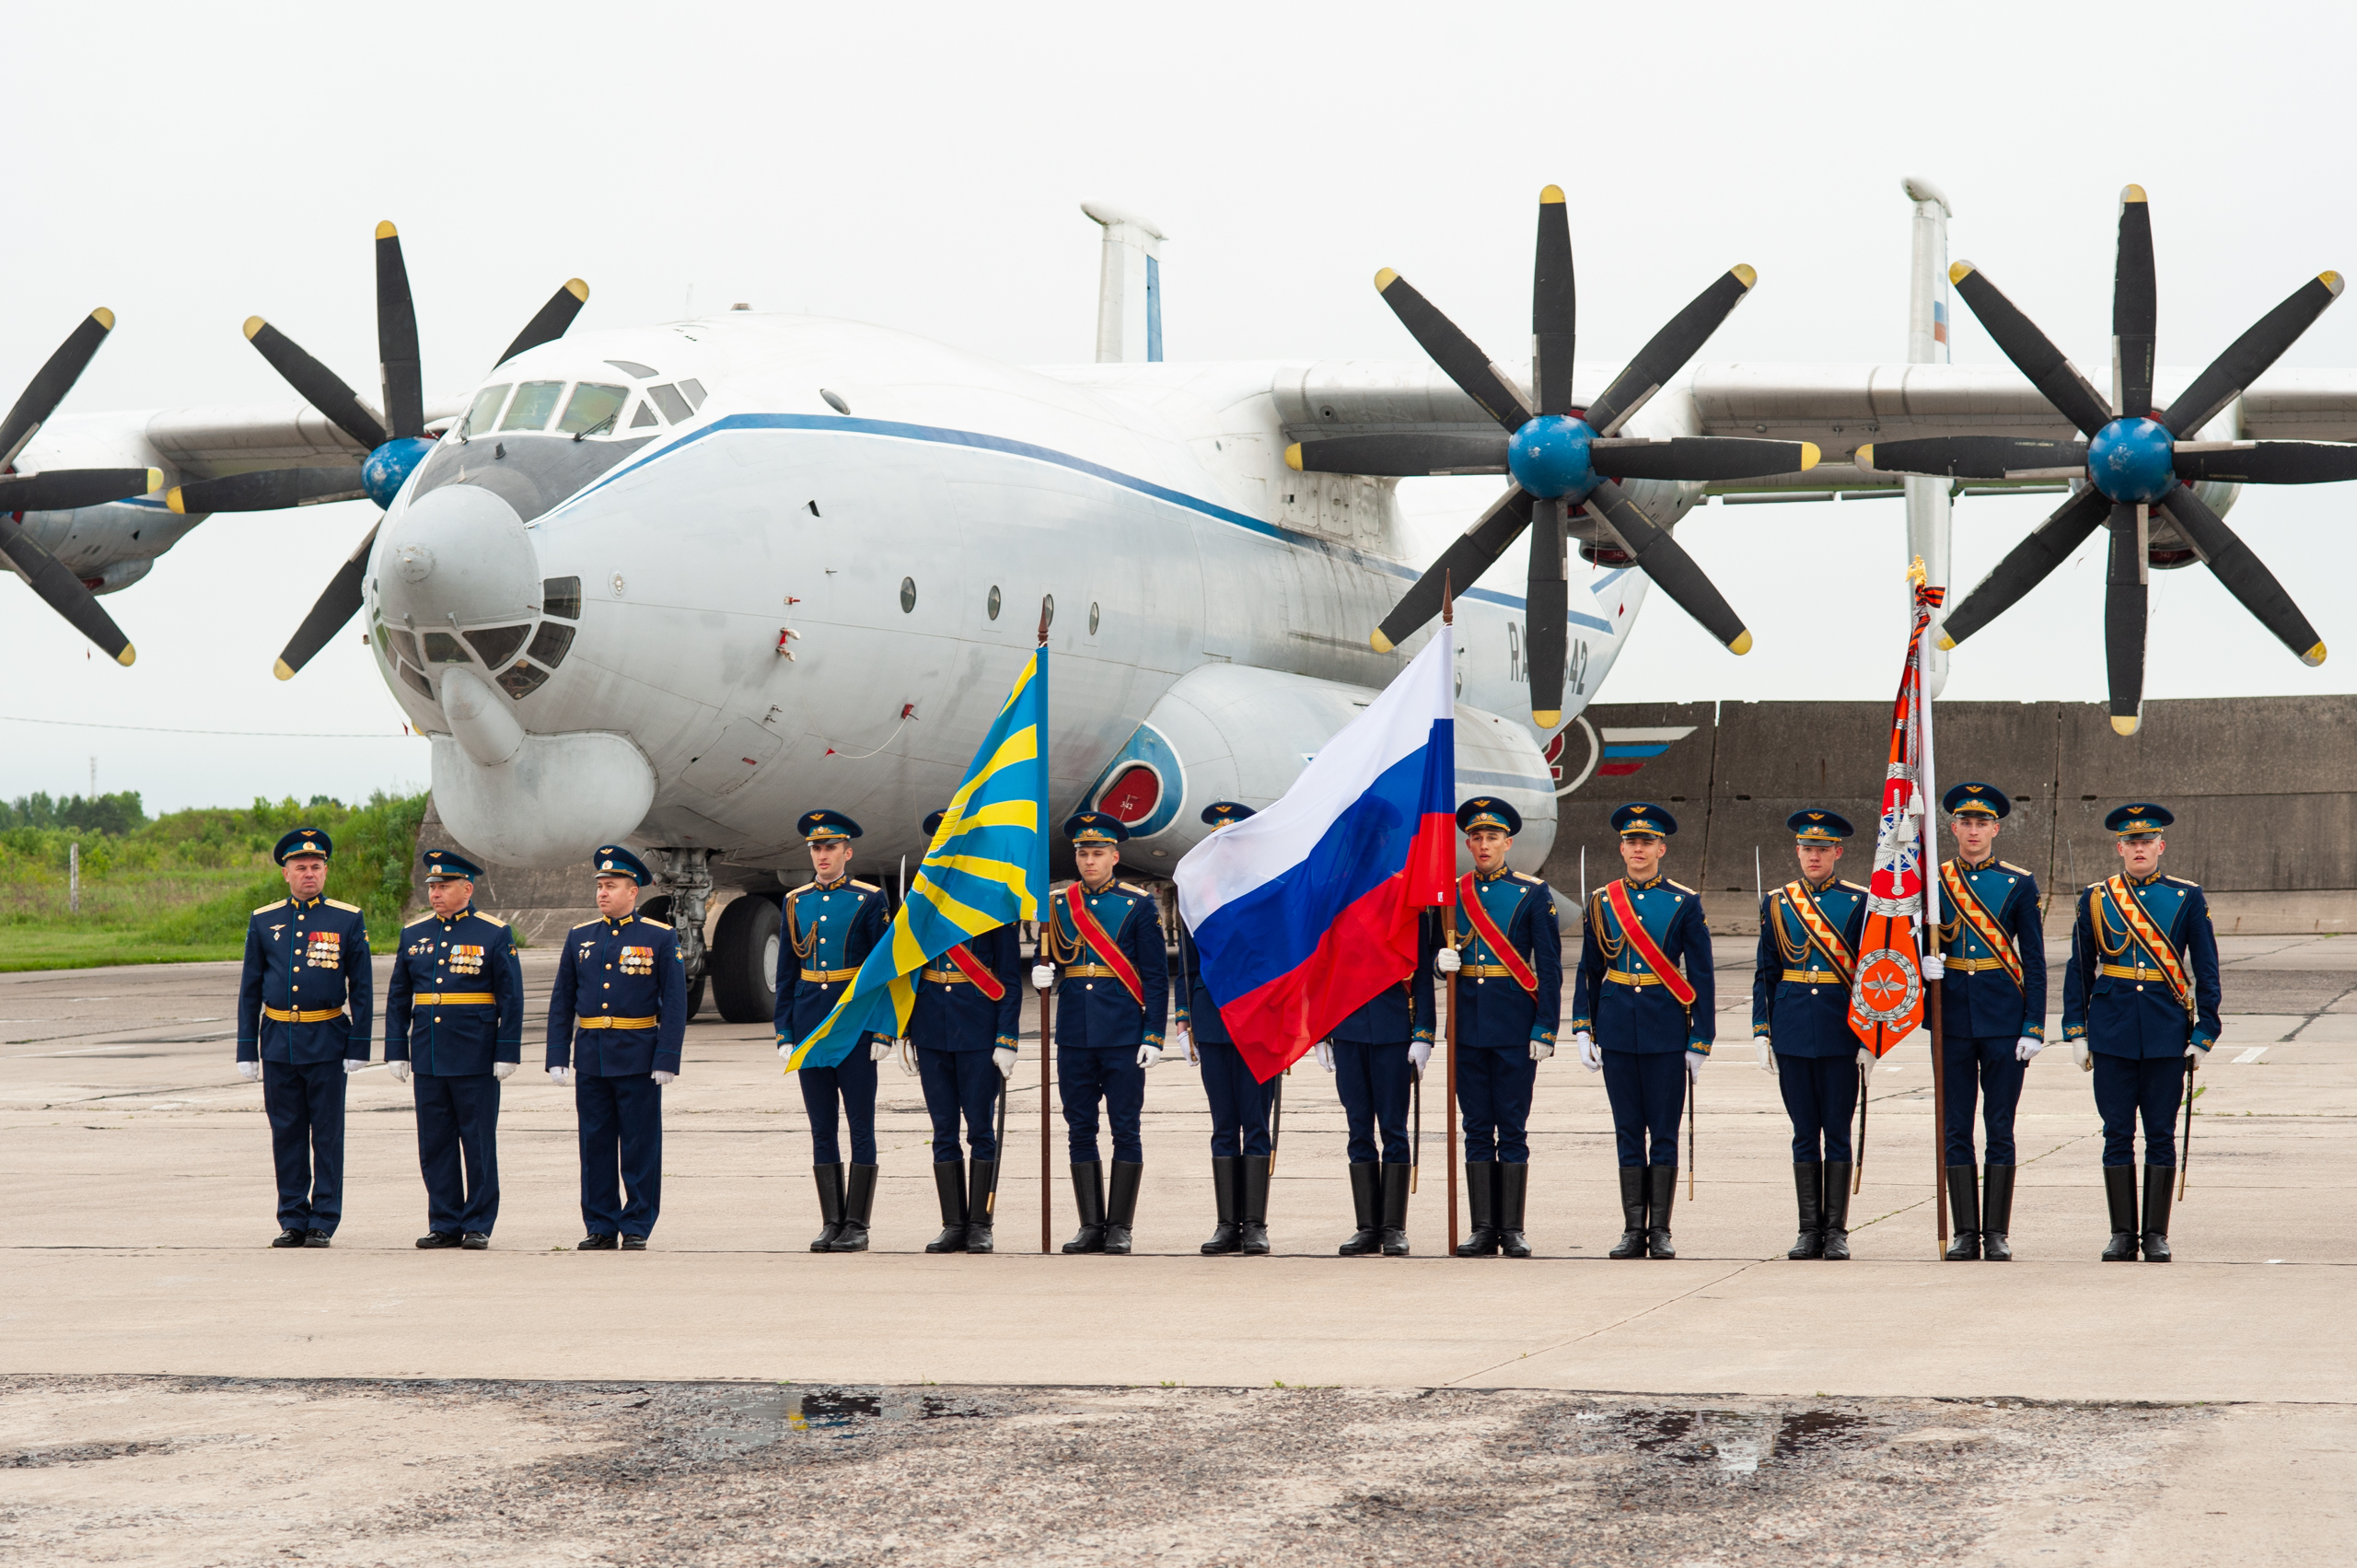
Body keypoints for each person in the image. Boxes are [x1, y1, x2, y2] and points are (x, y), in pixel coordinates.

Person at [2063, 802, 2220, 1263]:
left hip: (2166, 1031)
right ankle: (2120, 1232)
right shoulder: (2096, 897)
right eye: (2131, 842)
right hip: (2111, 1031)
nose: (2139, 848)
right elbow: (2080, 969)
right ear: (2119, 848)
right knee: (2115, 1133)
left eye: (2146, 841)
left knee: (2160, 1133)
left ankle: (2155, 1233)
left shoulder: (2186, 897)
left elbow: (2207, 971)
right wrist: (2076, 1030)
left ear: (2160, 846)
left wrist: (2204, 1033)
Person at [1571, 802, 1713, 1260]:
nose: (1638, 848)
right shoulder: (1601, 900)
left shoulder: (1683, 901)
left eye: (1646, 842)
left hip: (1665, 1026)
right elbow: (1589, 969)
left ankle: (1662, 1229)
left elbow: (1703, 974)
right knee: (1628, 1130)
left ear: (1661, 849)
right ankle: (1634, 1228)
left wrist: (1700, 1039)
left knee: (1664, 1131)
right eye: (1631, 841)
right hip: (1616, 1027)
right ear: (1621, 847)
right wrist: (1582, 1027)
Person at [1031, 811, 1169, 1256]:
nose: (1089, 862)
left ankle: (1120, 1227)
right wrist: (1041, 972)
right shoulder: (1056, 905)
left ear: (1114, 856)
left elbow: (1155, 976)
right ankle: (1090, 1224)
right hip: (1074, 1033)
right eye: (1082, 854)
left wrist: (1153, 1035)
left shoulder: (1137, 904)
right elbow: (1049, 960)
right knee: (1080, 1129)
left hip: (1123, 1033)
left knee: (1125, 1129)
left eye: (1097, 854)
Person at [1432, 797, 1561, 1260]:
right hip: (1467, 1028)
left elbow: (1549, 967)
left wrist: (1546, 1027)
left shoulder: (1531, 893)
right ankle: (1483, 1228)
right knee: (1475, 1127)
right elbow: (1433, 950)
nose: (1484, 845)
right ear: (1467, 842)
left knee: (1512, 1127)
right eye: (1476, 837)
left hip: (1513, 1026)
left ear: (1508, 842)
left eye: (1493, 837)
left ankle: (1513, 1228)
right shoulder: (1452, 893)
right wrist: (1437, 962)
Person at [234, 827, 372, 1249]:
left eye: (315, 867)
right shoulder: (264, 920)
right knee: (287, 1133)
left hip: (328, 1038)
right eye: (300, 868)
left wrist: (359, 1046)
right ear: (286, 874)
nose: (308, 874)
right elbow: (250, 988)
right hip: (278, 1040)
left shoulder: (347, 918)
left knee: (326, 1135)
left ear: (325, 871)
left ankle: (323, 1220)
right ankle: (292, 1217)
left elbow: (362, 988)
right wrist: (246, 1049)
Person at [547, 845, 687, 1251]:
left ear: (633, 892)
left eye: (611, 886)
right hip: (592, 1055)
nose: (603, 893)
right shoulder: (580, 937)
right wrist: (558, 1055)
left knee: (640, 1145)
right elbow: (562, 1000)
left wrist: (667, 1057)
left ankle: (638, 1222)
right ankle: (600, 1224)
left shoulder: (659, 937)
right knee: (595, 1145)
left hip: (638, 1055)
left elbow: (675, 1004)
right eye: (600, 886)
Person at [1931, 782, 2049, 1261]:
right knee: (1956, 1127)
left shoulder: (2019, 883)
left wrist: (2034, 1026)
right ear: (1954, 827)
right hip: (1952, 1019)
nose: (1973, 831)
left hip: (2004, 1019)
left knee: (1999, 1125)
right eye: (1966, 823)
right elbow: (1912, 943)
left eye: (1982, 823)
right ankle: (1964, 1231)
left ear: (1996, 828)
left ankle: (1996, 1232)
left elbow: (2035, 961)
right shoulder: (1933, 880)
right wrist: (1924, 969)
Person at [385, 849, 524, 1250]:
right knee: (435, 1143)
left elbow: (510, 997)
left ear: (467, 888)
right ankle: (444, 1221)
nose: (436, 894)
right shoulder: (415, 934)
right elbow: (399, 996)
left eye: (444, 887)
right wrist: (397, 1049)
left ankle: (478, 1222)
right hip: (429, 1053)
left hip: (475, 1054)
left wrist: (506, 1051)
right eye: (432, 887)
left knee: (477, 1142)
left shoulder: (492, 933)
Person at [1751, 810, 1868, 1260]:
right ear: (1797, 852)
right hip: (1793, 1030)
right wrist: (1762, 1031)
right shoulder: (1778, 903)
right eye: (1807, 849)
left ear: (1837, 853)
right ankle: (1807, 1229)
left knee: (1837, 1131)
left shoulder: (1860, 902)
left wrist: (1869, 1038)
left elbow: (1874, 971)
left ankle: (1835, 1231)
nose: (1814, 856)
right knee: (1804, 1133)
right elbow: (1766, 972)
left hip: (1841, 1030)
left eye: (1823, 849)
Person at [773, 809, 892, 1253]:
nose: (822, 856)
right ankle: (831, 1220)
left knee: (861, 1124)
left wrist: (882, 1031)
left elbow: (882, 972)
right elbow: (787, 972)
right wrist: (784, 1032)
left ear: (848, 852)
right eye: (816, 849)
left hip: (855, 1024)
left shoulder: (870, 899)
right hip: (810, 1026)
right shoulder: (795, 901)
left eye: (830, 848)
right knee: (821, 1127)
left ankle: (857, 1223)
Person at [907, 807, 1024, 1255]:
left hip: (978, 1030)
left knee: (980, 1129)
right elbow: (907, 970)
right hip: (932, 1029)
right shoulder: (919, 902)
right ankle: (952, 1223)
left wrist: (1006, 1038)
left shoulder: (993, 902)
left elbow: (1009, 977)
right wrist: (903, 1032)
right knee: (942, 1130)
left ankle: (981, 1223)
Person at [1173, 801, 1282, 1257]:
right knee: (1223, 1124)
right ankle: (1226, 1224)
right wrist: (1184, 1017)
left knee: (1255, 1123)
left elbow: (1284, 960)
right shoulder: (1197, 893)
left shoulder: (1271, 890)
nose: (1223, 845)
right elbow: (1185, 963)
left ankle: (1254, 1224)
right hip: (1214, 1020)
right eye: (1217, 837)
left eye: (1232, 837)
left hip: (1259, 1020)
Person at [1318, 906, 1437, 1257]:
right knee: (1358, 1129)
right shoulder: (1336, 905)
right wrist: (1322, 1032)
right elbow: (1323, 969)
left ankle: (1393, 1227)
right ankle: (1367, 1227)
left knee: (1393, 1129)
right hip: (1349, 1029)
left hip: (1394, 1030)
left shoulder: (1410, 910)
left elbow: (1422, 979)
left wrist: (1423, 1033)